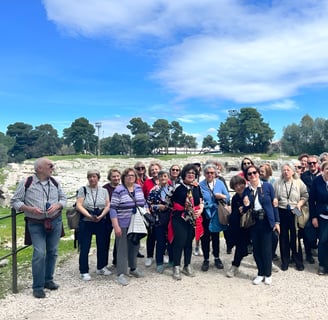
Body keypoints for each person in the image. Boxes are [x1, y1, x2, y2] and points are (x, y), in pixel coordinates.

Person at [11, 157, 67, 298]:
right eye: (50, 165)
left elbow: (64, 199)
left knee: (53, 252)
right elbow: (15, 201)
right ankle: (37, 287)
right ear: (40, 168)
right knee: (39, 253)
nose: (52, 167)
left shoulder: (55, 182)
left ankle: (48, 280)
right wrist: (29, 209)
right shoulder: (26, 182)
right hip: (35, 223)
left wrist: (58, 205)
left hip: (55, 221)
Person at [110, 168, 147, 286]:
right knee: (122, 248)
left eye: (132, 175)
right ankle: (121, 273)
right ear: (123, 178)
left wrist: (147, 210)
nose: (130, 177)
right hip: (123, 223)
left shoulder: (138, 188)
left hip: (137, 223)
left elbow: (143, 202)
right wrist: (116, 226)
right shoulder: (119, 190)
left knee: (135, 246)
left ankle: (133, 268)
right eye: (127, 175)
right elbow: (113, 208)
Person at [243, 165, 280, 285]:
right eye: (250, 174)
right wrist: (246, 204)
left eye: (255, 172)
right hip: (254, 222)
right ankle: (260, 272)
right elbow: (245, 208)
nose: (253, 175)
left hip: (266, 221)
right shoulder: (247, 190)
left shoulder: (267, 186)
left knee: (266, 249)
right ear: (247, 177)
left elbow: (274, 205)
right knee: (257, 249)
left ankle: (268, 273)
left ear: (258, 173)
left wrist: (276, 222)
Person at [167, 163, 204, 280]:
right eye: (188, 172)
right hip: (180, 218)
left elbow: (201, 201)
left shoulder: (197, 187)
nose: (191, 175)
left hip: (193, 219)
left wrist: (200, 210)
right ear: (184, 174)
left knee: (189, 242)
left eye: (193, 173)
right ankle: (176, 266)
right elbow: (168, 200)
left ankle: (187, 265)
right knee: (180, 241)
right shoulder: (177, 187)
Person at [76, 170, 111, 281]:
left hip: (100, 219)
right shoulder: (83, 190)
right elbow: (79, 205)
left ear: (98, 178)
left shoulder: (104, 191)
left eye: (94, 176)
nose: (92, 179)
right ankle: (84, 270)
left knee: (102, 245)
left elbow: (107, 205)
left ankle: (101, 266)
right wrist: (89, 215)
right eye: (90, 177)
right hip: (86, 220)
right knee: (85, 246)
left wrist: (101, 215)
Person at [274, 162, 308, 271]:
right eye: (284, 170)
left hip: (295, 211)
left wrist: (300, 204)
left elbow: (305, 195)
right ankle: (285, 261)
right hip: (282, 210)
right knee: (283, 236)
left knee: (296, 235)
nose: (286, 172)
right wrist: (274, 200)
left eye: (288, 170)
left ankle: (298, 260)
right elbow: (274, 197)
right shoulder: (278, 183)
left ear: (293, 171)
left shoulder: (299, 182)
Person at [199, 163, 229, 271]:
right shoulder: (201, 185)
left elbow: (228, 197)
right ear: (205, 174)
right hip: (205, 214)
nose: (210, 175)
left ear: (215, 173)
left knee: (216, 237)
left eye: (212, 173)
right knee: (205, 238)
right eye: (207, 173)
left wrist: (221, 196)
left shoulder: (220, 183)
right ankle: (206, 259)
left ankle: (216, 257)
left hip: (216, 214)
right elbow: (198, 198)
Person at [147, 170, 174, 273]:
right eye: (161, 176)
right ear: (157, 178)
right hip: (158, 220)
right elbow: (148, 205)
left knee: (171, 240)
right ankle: (159, 262)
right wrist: (158, 207)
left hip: (171, 219)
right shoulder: (154, 190)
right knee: (160, 242)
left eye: (165, 176)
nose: (163, 178)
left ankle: (172, 260)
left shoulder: (173, 190)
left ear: (168, 178)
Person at [226, 175, 250, 277]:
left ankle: (267, 264)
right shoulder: (235, 198)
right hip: (241, 226)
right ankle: (235, 266)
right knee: (240, 246)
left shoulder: (249, 193)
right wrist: (239, 211)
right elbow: (234, 214)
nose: (239, 187)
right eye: (236, 185)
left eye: (241, 184)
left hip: (252, 224)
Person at [309, 161, 328, 275]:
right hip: (322, 216)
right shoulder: (317, 181)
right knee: (323, 241)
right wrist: (314, 217)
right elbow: (311, 201)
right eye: (327, 168)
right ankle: (322, 265)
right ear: (322, 170)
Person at [301, 155, 321, 263]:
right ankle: (308, 253)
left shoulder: (323, 175)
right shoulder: (303, 176)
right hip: (307, 208)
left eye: (314, 163)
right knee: (306, 229)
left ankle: (317, 248)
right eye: (310, 163)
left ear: (317, 163)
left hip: (320, 208)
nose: (312, 165)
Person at [142, 161, 163, 267]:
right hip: (151, 213)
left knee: (163, 235)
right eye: (152, 170)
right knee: (151, 235)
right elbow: (144, 198)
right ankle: (150, 256)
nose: (155, 171)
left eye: (156, 169)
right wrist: (148, 209)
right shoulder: (147, 183)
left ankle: (164, 254)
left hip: (164, 213)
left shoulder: (166, 181)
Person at [103, 168, 121, 266]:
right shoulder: (105, 188)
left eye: (118, 176)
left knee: (119, 240)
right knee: (105, 241)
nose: (116, 178)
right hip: (107, 218)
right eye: (114, 176)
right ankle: (103, 263)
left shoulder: (123, 187)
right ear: (110, 177)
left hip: (120, 218)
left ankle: (117, 260)